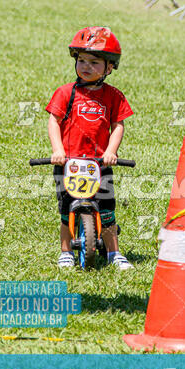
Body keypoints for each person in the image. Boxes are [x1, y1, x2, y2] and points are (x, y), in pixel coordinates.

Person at [46, 26, 134, 270]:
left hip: (99, 163)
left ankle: (114, 253)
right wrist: (57, 150)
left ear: (109, 67)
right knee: (66, 209)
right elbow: (54, 121)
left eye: (94, 62)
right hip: (68, 162)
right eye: (81, 60)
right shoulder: (66, 93)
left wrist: (111, 152)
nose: (85, 66)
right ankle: (66, 252)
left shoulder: (114, 96)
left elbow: (118, 125)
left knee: (106, 209)